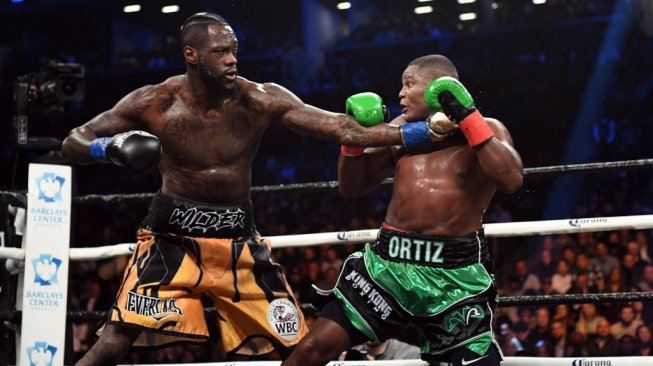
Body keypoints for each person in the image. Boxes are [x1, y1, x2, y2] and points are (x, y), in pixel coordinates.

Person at [61, 13, 441, 366]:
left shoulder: (259, 98)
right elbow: (74, 140)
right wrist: (107, 149)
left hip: (239, 243)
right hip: (170, 239)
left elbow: (340, 128)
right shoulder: (155, 101)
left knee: (299, 348)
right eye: (221, 52)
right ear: (191, 55)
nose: (232, 60)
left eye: (234, 51)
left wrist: (422, 132)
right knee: (113, 342)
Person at [281, 54, 523, 366]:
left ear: (438, 87)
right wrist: (353, 141)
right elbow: (352, 187)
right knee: (312, 350)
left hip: (454, 278)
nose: (400, 94)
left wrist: (468, 117)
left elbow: (512, 179)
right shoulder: (401, 129)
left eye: (409, 84)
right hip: (388, 267)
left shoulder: (486, 128)